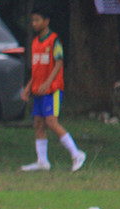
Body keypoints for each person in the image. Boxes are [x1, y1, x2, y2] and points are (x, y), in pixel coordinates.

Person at [20, 3, 85, 172]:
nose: (33, 23)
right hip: (38, 90)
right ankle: (42, 161)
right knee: (38, 123)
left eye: (37, 20)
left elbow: (58, 63)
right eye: (32, 20)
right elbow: (36, 67)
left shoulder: (54, 40)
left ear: (46, 21)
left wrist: (48, 82)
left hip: (52, 90)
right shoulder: (35, 42)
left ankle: (76, 153)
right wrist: (28, 86)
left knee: (51, 122)